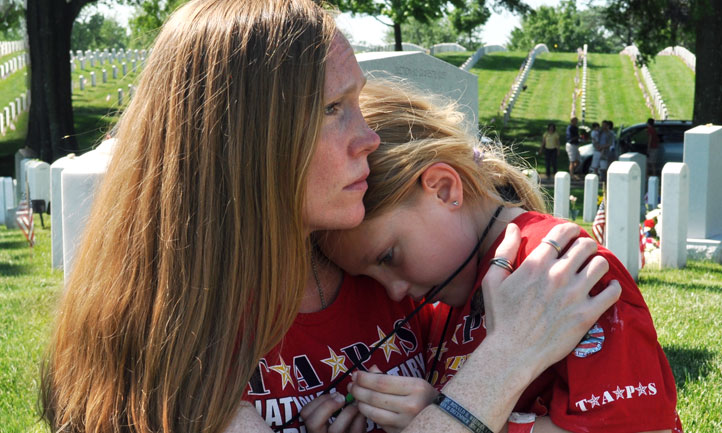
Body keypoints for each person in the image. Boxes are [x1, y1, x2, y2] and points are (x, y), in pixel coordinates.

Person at [40, 1, 620, 433]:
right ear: (244, 143)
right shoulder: (163, 346)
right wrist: (507, 358)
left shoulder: (384, 269)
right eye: (332, 109)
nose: (368, 137)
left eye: (359, 103)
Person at [319, 82, 681, 433]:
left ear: (444, 189)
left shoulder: (565, 271)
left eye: (388, 257)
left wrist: (447, 418)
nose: (393, 291)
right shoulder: (446, 292)